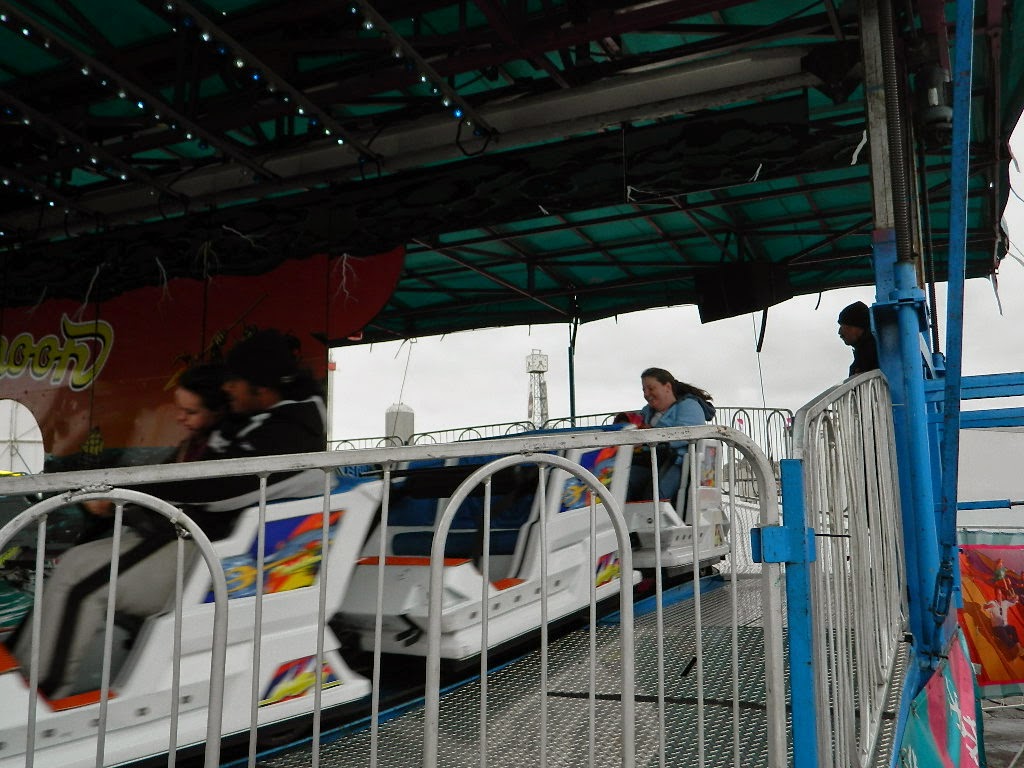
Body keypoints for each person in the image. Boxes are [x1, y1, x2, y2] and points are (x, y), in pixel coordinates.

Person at [14, 329, 327, 698]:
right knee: (72, 565)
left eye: (235, 381)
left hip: (222, 555)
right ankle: (21, 678)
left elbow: (216, 488)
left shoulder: (288, 433)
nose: (228, 388)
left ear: (262, 387)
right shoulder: (261, 419)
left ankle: (41, 697)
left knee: (83, 585)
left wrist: (126, 495)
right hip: (202, 537)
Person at [626, 367, 715, 502]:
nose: (646, 394)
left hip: (677, 462)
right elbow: (634, 427)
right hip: (649, 461)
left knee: (656, 494)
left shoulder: (690, 406)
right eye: (644, 390)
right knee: (622, 483)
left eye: (651, 388)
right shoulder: (646, 411)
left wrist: (650, 436)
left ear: (667, 387)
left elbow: (687, 433)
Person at [837, 301, 879, 377]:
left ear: (856, 327)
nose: (839, 332)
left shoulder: (874, 354)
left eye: (843, 326)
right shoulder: (863, 355)